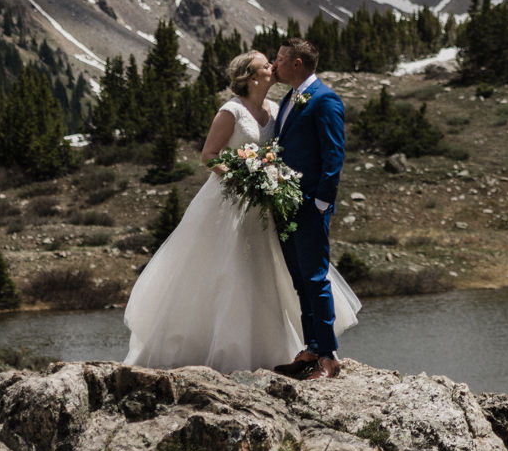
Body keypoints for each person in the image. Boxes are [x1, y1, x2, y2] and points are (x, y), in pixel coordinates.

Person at [122, 48, 358, 373]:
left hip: (264, 206)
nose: (273, 67)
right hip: (229, 201)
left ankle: (296, 349)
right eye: (266, 65)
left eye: (274, 62)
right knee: (224, 270)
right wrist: (245, 176)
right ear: (250, 76)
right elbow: (209, 155)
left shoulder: (278, 107)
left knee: (268, 273)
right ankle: (215, 349)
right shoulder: (231, 111)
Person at [266, 38, 349, 379]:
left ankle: (328, 357)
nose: (275, 64)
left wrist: (321, 203)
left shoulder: (325, 99)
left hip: (310, 206)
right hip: (287, 205)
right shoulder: (289, 98)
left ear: (297, 63)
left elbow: (334, 154)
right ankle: (311, 348)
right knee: (301, 280)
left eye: (280, 59)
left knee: (315, 278)